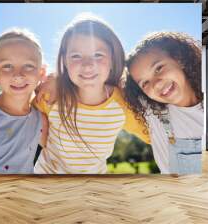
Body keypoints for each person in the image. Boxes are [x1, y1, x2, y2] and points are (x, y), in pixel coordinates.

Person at [33, 14, 150, 174]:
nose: (88, 65)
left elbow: (154, 136)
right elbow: (16, 116)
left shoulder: (122, 103)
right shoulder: (51, 95)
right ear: (65, 62)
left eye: (98, 55)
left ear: (112, 60)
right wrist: (54, 78)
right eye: (76, 56)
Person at [123, 31, 203, 175]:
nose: (156, 84)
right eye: (145, 83)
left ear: (179, 59)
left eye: (159, 68)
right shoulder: (153, 112)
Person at [0, 29, 48, 174]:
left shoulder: (41, 121)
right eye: (7, 66)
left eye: (28, 66)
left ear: (41, 73)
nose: (18, 75)